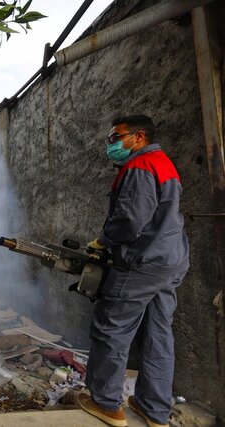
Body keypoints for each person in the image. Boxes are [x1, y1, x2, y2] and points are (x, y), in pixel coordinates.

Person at [77, 115, 190, 427]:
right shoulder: (163, 162)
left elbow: (130, 220)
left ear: (138, 137)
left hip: (143, 262)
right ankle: (154, 409)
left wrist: (104, 240)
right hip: (169, 261)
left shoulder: (140, 166)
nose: (111, 144)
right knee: (158, 333)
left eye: (117, 137)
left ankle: (105, 404)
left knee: (111, 329)